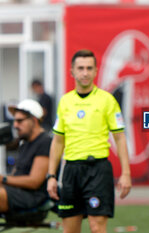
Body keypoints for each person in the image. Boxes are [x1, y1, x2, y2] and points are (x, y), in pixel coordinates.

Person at [47, 49, 132, 233]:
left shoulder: (107, 100)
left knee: (97, 228)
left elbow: (119, 137)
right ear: (72, 71)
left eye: (89, 68)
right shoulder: (65, 102)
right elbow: (58, 141)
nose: (85, 72)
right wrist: (52, 176)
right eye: (80, 68)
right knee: (69, 230)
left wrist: (126, 173)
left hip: (98, 172)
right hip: (70, 172)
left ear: (95, 71)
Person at [0, 99, 51, 213]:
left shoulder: (45, 142)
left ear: (33, 120)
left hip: (33, 197)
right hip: (16, 192)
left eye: (19, 121)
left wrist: (3, 178)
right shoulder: (25, 143)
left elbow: (34, 182)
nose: (15, 125)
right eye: (14, 121)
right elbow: (15, 174)